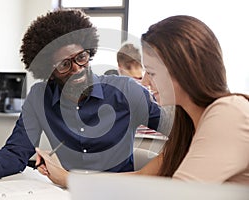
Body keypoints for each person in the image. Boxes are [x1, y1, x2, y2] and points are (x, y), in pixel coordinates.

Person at [0, 9, 162, 190]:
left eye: (81, 57)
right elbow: (15, 153)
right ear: (49, 71)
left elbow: (182, 129)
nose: (77, 69)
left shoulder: (126, 91)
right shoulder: (39, 98)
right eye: (64, 65)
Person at [37, 15, 249, 187]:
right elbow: (143, 175)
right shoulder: (188, 126)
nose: (146, 81)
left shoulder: (228, 112)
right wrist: (68, 178)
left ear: (185, 72)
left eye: (153, 73)